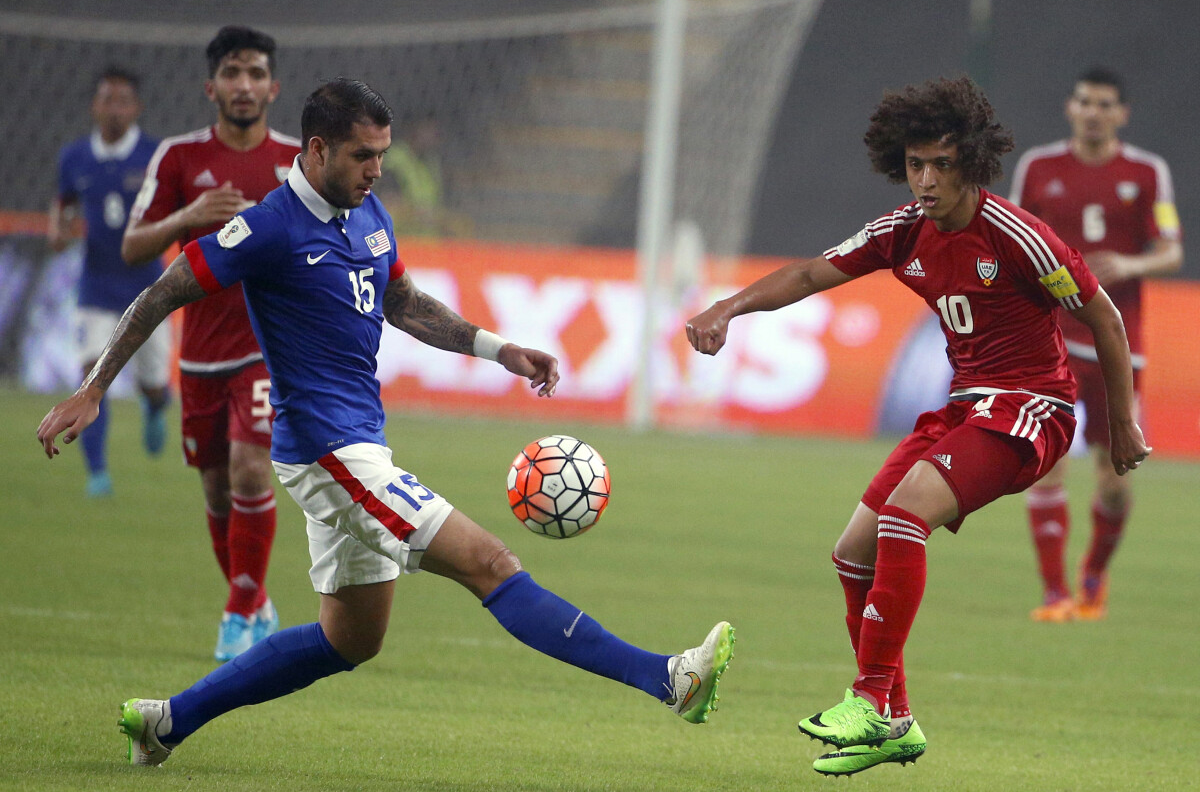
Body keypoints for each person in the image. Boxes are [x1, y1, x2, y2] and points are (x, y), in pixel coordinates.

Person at [38, 77, 735, 769]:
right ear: (316, 149)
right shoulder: (268, 226)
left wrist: (499, 350)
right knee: (490, 564)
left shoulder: (367, 213)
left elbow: (403, 301)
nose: (377, 170)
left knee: (350, 639)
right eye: (362, 155)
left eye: (382, 154)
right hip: (327, 451)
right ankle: (669, 678)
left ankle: (166, 721)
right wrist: (93, 387)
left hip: (359, 440)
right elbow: (162, 291)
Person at [686, 76, 1148, 777]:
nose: (925, 180)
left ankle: (870, 696)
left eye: (939, 163)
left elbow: (1105, 318)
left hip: (1032, 408)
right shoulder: (903, 231)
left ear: (969, 159)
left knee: (905, 516)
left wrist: (1120, 424)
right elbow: (812, 275)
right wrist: (728, 306)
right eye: (913, 165)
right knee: (852, 552)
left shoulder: (1019, 236)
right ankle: (895, 720)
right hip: (966, 407)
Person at [122, 26, 301, 661]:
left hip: (266, 347)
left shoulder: (298, 163)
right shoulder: (177, 158)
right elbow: (133, 245)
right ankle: (254, 601)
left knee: (253, 466)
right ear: (212, 86)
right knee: (217, 489)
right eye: (232, 73)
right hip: (198, 350)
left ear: (273, 87)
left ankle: (235, 615)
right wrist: (186, 218)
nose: (244, 85)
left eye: (256, 73)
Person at [1009, 67, 1183, 623]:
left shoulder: (1146, 172)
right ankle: (1056, 593)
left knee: (1113, 479)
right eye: (1084, 101)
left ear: (1121, 114)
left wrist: (1131, 262)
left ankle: (1094, 574)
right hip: (1050, 340)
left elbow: (1172, 249)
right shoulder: (1038, 166)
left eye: (1105, 104)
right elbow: (1014, 235)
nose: (1093, 112)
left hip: (1117, 346)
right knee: (1046, 464)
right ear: (1070, 107)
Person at [48, 66, 168, 498]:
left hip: (149, 287)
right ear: (94, 106)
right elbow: (63, 203)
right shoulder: (75, 157)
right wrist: (58, 229)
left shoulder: (154, 155)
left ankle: (155, 405)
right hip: (96, 286)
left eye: (122, 100)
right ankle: (97, 473)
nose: (114, 109)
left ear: (135, 108)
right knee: (89, 375)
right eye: (106, 99)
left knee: (153, 383)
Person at [379, 113, 471, 238]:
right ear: (412, 130)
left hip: (428, 245)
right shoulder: (395, 160)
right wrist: (441, 220)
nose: (434, 134)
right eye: (428, 129)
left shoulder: (431, 162)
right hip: (403, 243)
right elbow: (391, 205)